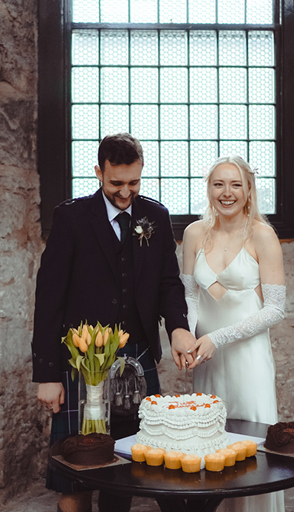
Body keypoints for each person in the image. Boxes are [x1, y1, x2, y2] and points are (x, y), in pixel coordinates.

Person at [32, 133, 197, 512]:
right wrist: (47, 373)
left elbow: (169, 284)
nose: (126, 192)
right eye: (116, 183)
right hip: (81, 361)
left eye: (134, 183)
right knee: (76, 473)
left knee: (125, 469)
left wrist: (178, 327)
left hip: (137, 353)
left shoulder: (154, 216)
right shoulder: (71, 217)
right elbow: (49, 298)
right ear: (98, 172)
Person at [182, 155, 285, 512]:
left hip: (248, 358)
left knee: (251, 451)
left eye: (236, 184)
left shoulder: (263, 235)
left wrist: (218, 338)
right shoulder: (193, 233)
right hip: (206, 359)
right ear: (209, 188)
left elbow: (274, 309)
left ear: (249, 190)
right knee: (210, 447)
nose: (227, 193)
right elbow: (189, 296)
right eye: (219, 184)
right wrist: (189, 338)